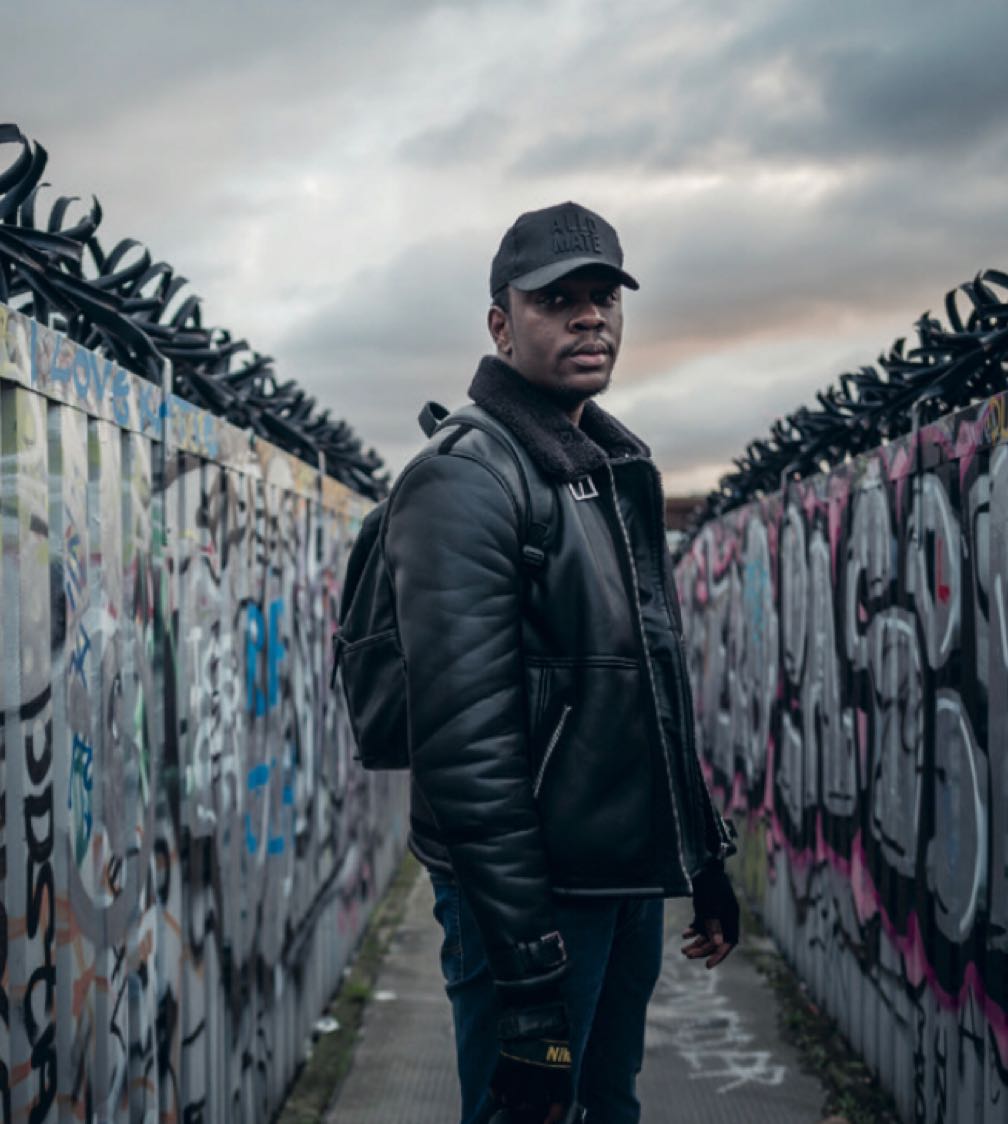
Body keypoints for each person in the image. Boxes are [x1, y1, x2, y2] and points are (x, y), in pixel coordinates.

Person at [384, 201, 739, 1124]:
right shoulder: (467, 477)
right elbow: (465, 746)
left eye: (602, 297)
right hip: (533, 908)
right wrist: (528, 965)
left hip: (616, 886)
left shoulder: (608, 467)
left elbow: (646, 690)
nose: (589, 317)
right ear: (501, 325)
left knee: (607, 1107)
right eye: (557, 301)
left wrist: (699, 860)